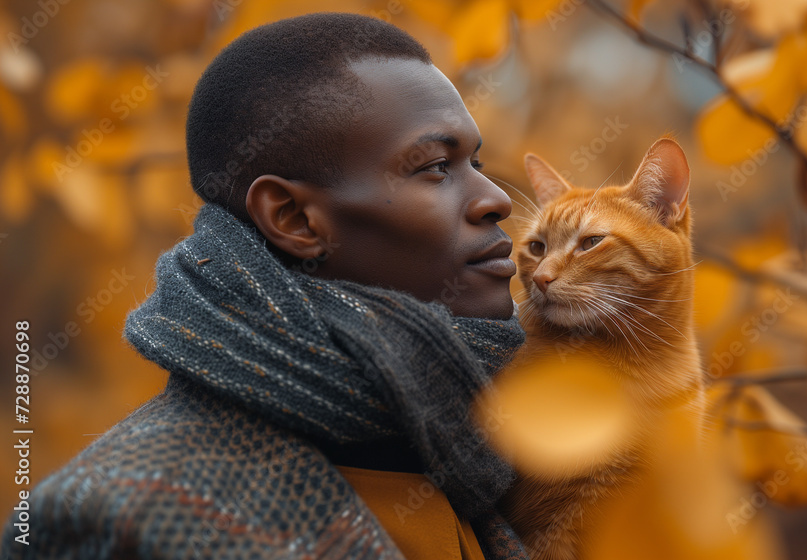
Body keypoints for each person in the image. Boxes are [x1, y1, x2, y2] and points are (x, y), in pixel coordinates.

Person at [2, 12, 530, 560]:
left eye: (477, 161)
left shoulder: (503, 466)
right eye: (437, 167)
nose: (496, 199)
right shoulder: (118, 522)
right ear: (295, 220)